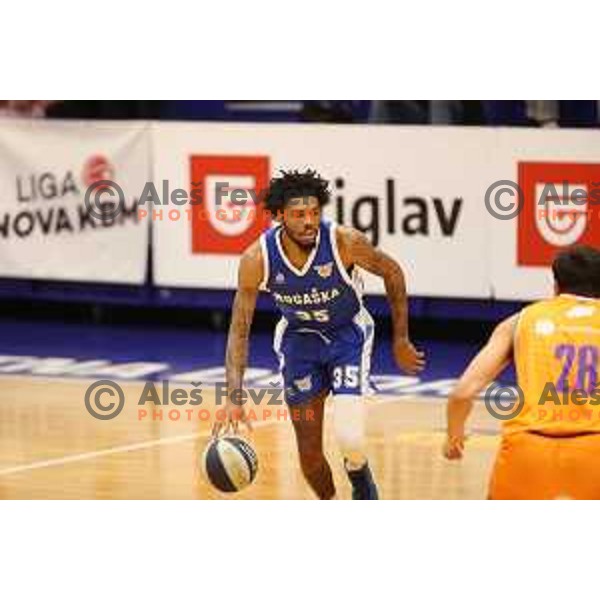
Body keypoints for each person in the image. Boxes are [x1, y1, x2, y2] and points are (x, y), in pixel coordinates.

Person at [213, 169, 425, 499]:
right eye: (299, 215)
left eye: (314, 212)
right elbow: (239, 330)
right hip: (300, 344)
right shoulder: (257, 258)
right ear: (279, 215)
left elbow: (392, 272)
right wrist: (234, 395)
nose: (309, 221)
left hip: (347, 337)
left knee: (350, 438)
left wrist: (400, 338)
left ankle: (359, 476)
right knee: (310, 456)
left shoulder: (344, 242)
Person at [445, 245, 600, 499]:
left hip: (527, 450)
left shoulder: (521, 320)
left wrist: (453, 437)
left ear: (556, 286)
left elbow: (463, 393)